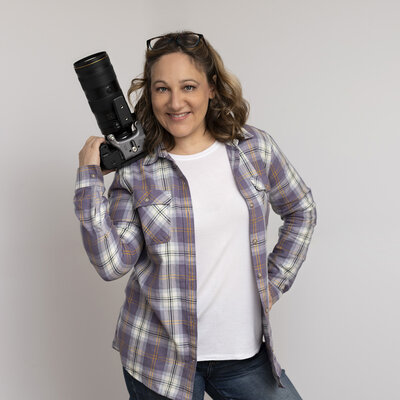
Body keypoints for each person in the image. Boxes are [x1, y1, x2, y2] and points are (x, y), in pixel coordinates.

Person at [74, 31, 317, 400]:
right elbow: (111, 264)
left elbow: (302, 210)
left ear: (212, 88)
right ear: (149, 94)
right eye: (161, 89)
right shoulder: (138, 170)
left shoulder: (255, 149)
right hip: (158, 359)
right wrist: (88, 181)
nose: (175, 102)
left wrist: (274, 282)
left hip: (243, 355)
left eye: (188, 86)